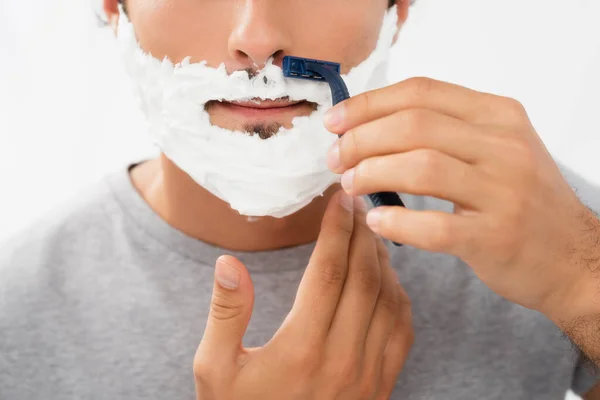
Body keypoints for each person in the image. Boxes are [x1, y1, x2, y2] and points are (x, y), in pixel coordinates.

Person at [1, 0, 600, 399]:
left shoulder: (541, 223)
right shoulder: (14, 314)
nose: (257, 40)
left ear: (400, 6)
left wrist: (582, 283)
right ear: (114, 8)